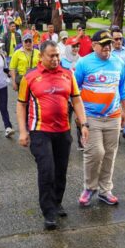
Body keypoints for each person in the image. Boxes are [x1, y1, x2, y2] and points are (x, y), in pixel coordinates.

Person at [17, 41, 89, 230]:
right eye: (51, 55)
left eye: (57, 55)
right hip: (40, 131)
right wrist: (23, 131)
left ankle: (57, 202)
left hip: (63, 131)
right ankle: (48, 211)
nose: (55, 59)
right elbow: (21, 104)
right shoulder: (30, 77)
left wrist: (84, 123)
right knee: (47, 170)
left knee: (60, 170)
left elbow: (77, 100)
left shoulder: (68, 74)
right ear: (41, 56)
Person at [74, 30, 125, 207]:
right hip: (91, 117)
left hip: (113, 117)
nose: (107, 47)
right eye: (104, 44)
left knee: (109, 154)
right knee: (95, 152)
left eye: (110, 44)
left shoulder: (119, 63)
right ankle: (90, 187)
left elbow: (123, 89)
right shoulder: (84, 63)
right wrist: (79, 116)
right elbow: (74, 91)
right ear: (93, 45)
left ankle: (105, 190)